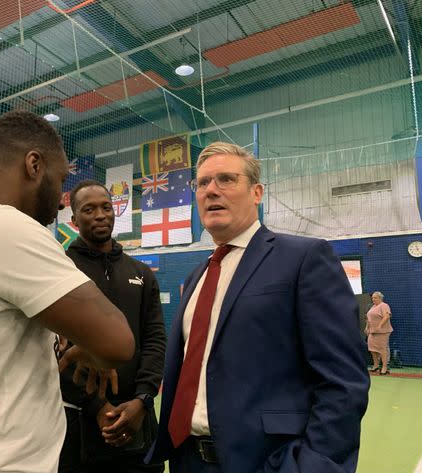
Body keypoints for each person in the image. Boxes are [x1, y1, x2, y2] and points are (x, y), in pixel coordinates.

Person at [0, 111, 135, 473]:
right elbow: (119, 342)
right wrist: (95, 348)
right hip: (0, 462)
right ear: (34, 165)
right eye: (61, 178)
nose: (63, 200)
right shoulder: (3, 226)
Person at [146, 142, 370, 473]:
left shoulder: (304, 259)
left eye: (226, 179)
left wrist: (312, 465)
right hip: (186, 459)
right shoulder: (198, 276)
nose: (211, 190)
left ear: (256, 192)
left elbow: (343, 382)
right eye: (203, 183)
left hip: (267, 462)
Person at [57, 180, 166, 473]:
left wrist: (143, 401)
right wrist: (96, 406)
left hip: (139, 417)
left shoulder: (141, 273)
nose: (100, 215)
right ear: (74, 219)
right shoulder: (61, 267)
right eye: (89, 209)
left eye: (106, 207)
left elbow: (154, 339)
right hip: (79, 421)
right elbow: (55, 347)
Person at [365, 291, 393, 375]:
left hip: (382, 332)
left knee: (382, 349)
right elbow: (368, 318)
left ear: (380, 298)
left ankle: (384, 367)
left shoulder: (384, 305)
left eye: (375, 297)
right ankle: (376, 366)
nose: (373, 299)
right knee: (372, 349)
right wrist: (367, 327)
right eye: (372, 297)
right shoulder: (373, 306)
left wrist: (380, 325)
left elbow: (387, 316)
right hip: (372, 332)